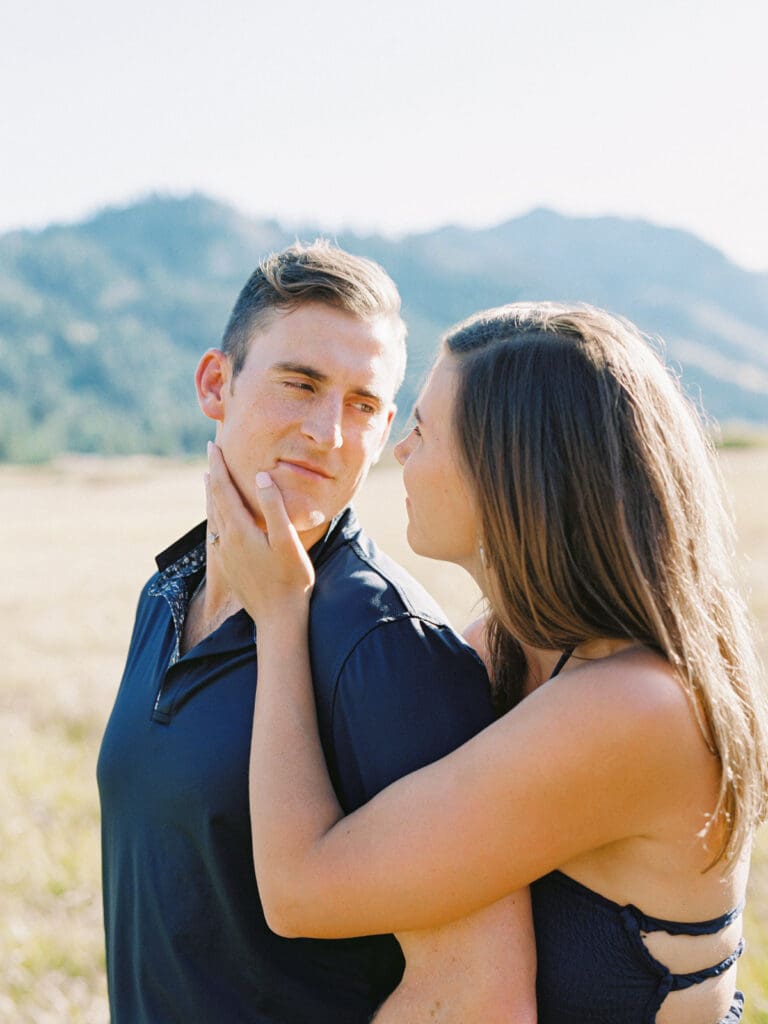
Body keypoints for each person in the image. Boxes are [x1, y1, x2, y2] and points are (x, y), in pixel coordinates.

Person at [206, 301, 768, 1024]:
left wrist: (280, 615)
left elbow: (302, 891)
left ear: (512, 473)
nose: (400, 452)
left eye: (421, 429)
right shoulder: (505, 647)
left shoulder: (636, 708)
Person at [97, 242, 537, 1024]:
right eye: (299, 384)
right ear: (215, 384)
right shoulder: (165, 592)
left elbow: (477, 992)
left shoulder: (387, 647)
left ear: (388, 427)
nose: (330, 432)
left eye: (364, 405)